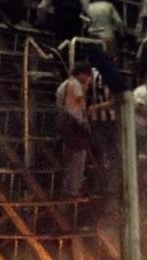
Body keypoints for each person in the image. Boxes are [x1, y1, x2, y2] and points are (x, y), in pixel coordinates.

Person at [56, 62, 93, 197]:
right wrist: (85, 88)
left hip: (64, 124)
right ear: (82, 74)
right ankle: (74, 190)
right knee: (78, 160)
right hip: (75, 124)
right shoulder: (76, 84)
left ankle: (66, 188)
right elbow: (80, 102)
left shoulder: (62, 85)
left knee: (68, 159)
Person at [87, 67, 120, 194]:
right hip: (100, 122)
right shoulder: (94, 73)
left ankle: (109, 185)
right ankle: (102, 184)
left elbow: (114, 102)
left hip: (108, 122)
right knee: (101, 154)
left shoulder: (109, 76)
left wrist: (95, 108)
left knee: (109, 154)